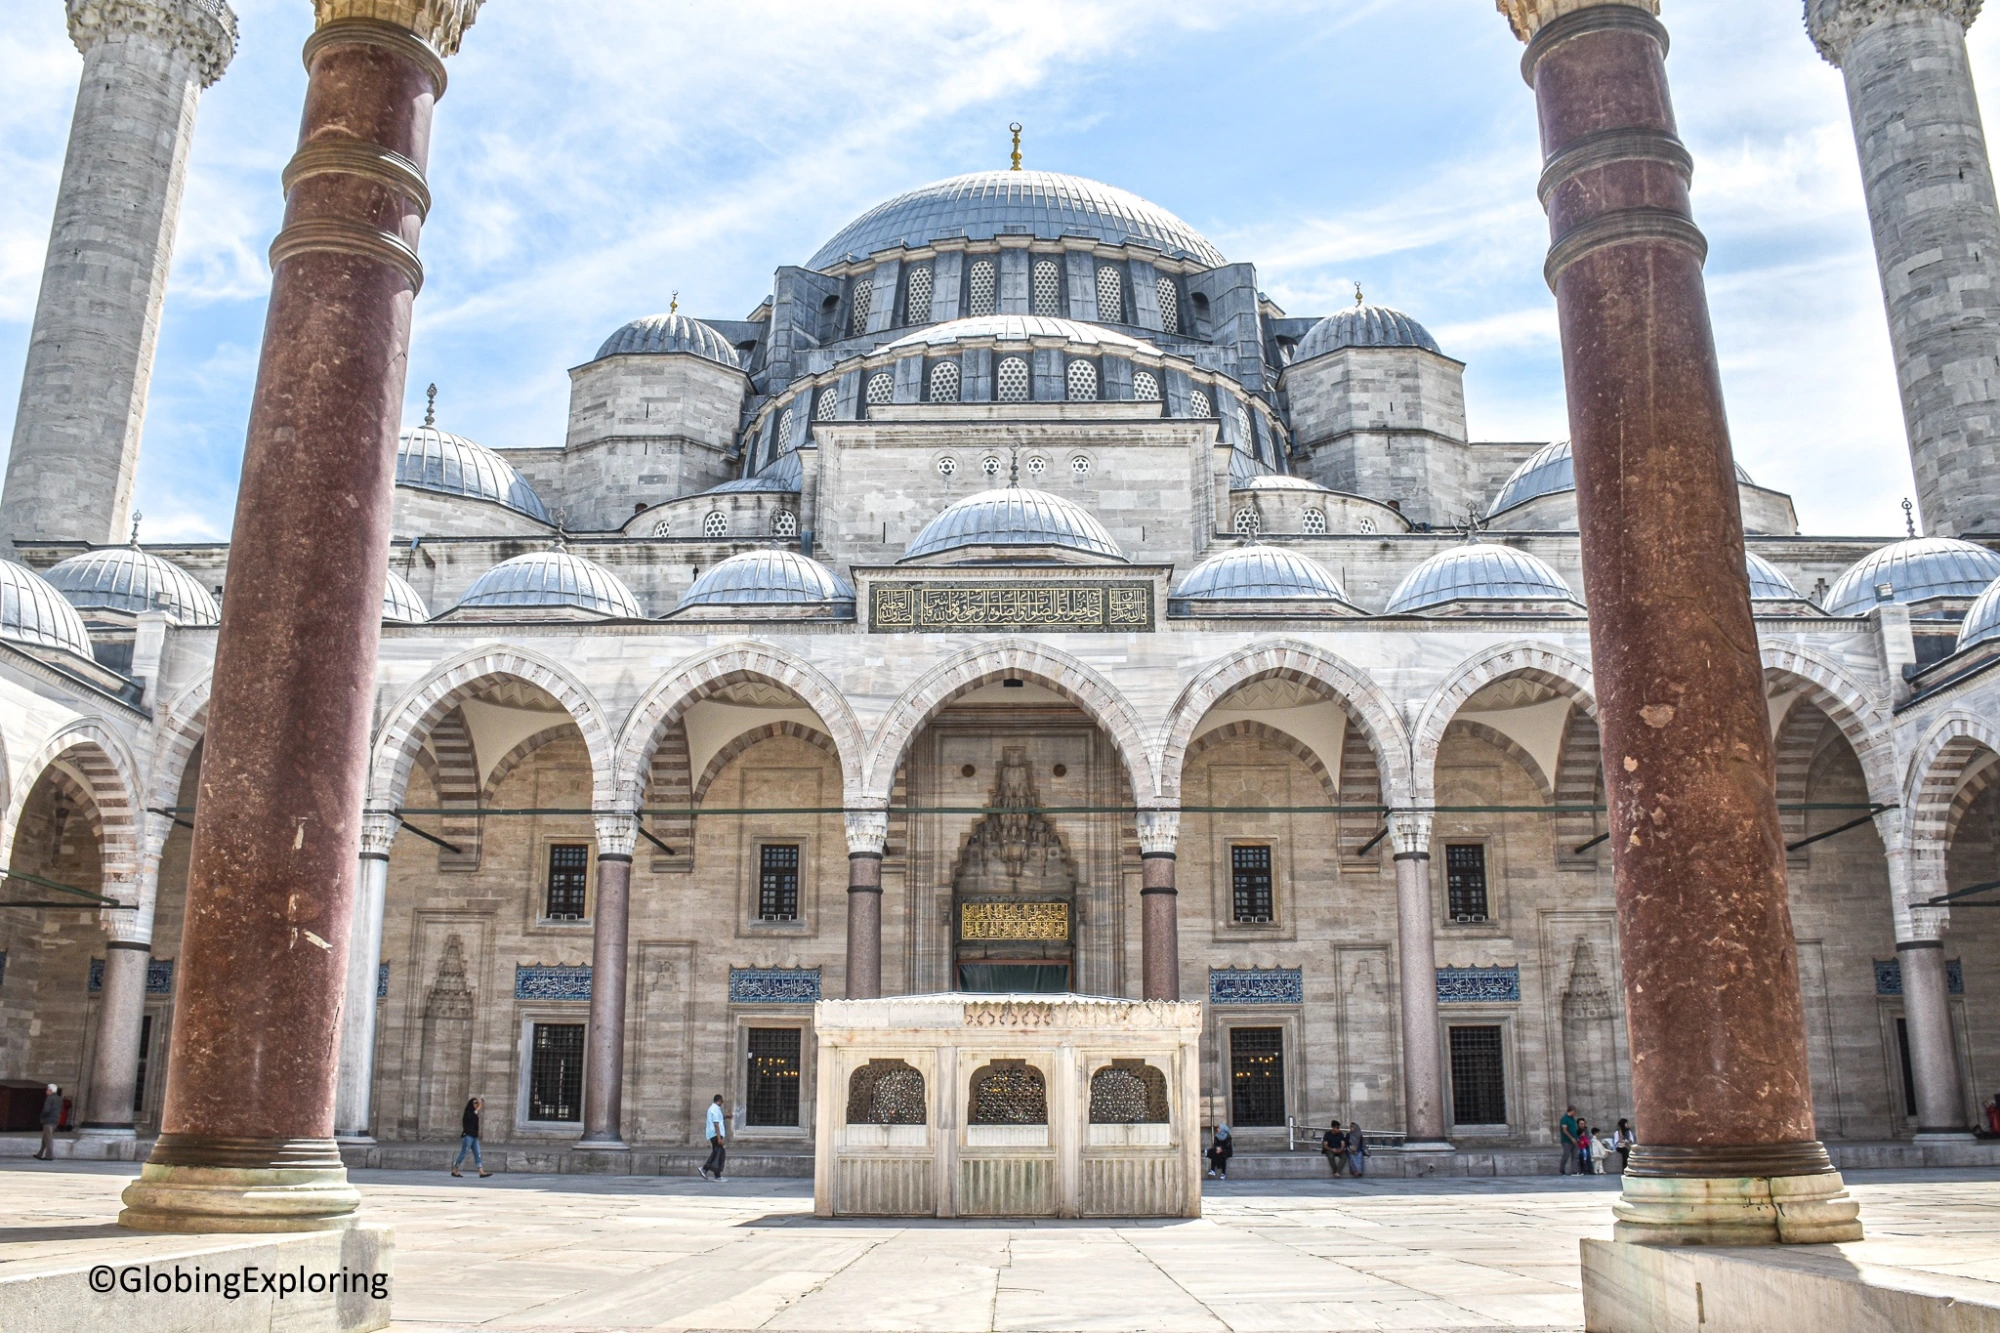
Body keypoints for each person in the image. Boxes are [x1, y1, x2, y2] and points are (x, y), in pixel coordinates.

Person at [451, 1096, 490, 1177]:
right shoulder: (468, 1113)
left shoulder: (474, 1113)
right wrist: (478, 1109)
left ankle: (481, 1171)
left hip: (474, 1137)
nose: (476, 1104)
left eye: (477, 1103)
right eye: (475, 1103)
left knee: (477, 1154)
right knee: (463, 1153)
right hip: (468, 1136)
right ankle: (455, 1169)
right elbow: (470, 1119)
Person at [701, 1094, 728, 1181]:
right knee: (718, 1153)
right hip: (715, 1134)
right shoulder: (715, 1109)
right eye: (722, 1101)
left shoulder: (713, 1109)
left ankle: (717, 1175)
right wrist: (719, 1138)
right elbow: (716, 1124)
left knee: (718, 1153)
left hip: (713, 1134)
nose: (722, 1102)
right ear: (719, 1100)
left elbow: (719, 1119)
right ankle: (705, 1169)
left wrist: (727, 1117)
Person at [33, 1084, 59, 1160]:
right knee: (45, 1137)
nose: (46, 1091)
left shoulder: (49, 1098)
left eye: (47, 1090)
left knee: (48, 1138)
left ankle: (49, 1156)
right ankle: (39, 1154)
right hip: (55, 1120)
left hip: (48, 1120)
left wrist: (42, 1116)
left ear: (50, 1090)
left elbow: (46, 1110)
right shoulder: (58, 1098)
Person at [1558, 1106, 1580, 1175]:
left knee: (1575, 1155)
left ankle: (1574, 1171)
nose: (1575, 1113)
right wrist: (1571, 1138)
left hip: (1575, 1140)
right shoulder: (1564, 1119)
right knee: (1566, 1155)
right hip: (1567, 1141)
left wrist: (1577, 1137)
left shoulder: (1573, 1119)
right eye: (1574, 1111)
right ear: (1571, 1111)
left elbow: (1574, 1128)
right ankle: (1562, 1169)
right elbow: (1564, 1130)